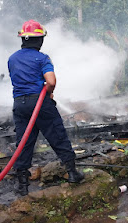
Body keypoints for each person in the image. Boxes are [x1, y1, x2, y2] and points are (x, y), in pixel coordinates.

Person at [8, 20, 84, 196]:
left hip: (20, 104)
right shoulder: (42, 58)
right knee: (57, 134)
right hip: (40, 103)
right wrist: (48, 93)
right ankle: (72, 173)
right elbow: (51, 81)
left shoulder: (12, 58)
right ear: (39, 39)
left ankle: (22, 185)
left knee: (24, 142)